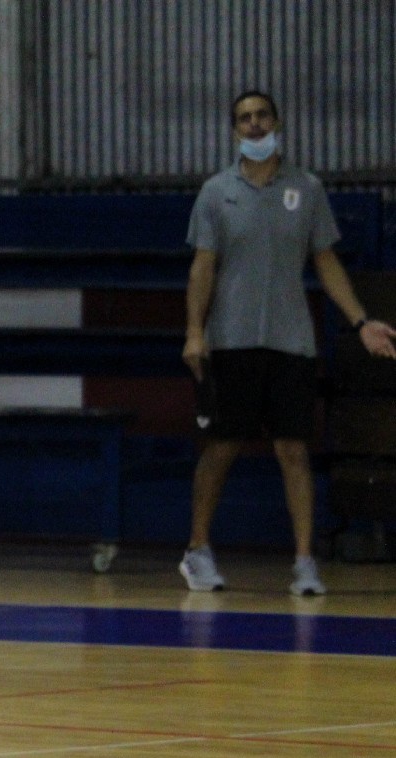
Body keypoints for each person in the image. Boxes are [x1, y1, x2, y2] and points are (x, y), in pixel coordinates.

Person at [180, 88, 396, 595]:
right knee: (222, 446)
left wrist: (361, 321)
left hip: (291, 341)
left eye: (262, 116)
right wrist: (194, 332)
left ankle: (303, 562)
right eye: (244, 118)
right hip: (231, 340)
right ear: (234, 130)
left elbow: (325, 261)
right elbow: (203, 267)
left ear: (277, 123)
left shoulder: (307, 189)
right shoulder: (216, 192)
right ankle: (197, 550)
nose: (254, 124)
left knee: (294, 449)